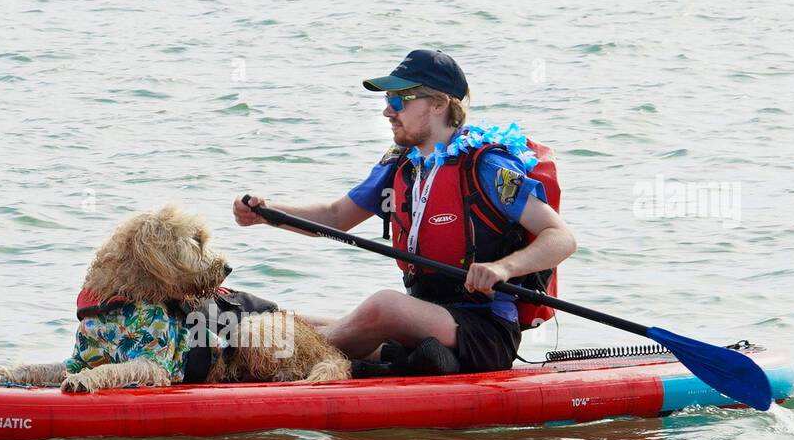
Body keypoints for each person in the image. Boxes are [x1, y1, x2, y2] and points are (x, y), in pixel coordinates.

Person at [234, 48, 576, 375]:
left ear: (440, 103)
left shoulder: (487, 166)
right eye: (387, 100)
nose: (388, 111)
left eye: (400, 100)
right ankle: (406, 358)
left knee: (384, 307)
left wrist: (503, 268)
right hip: (424, 320)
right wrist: (269, 213)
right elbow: (336, 217)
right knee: (296, 321)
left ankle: (262, 362)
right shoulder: (400, 164)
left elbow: (561, 238)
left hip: (484, 330)